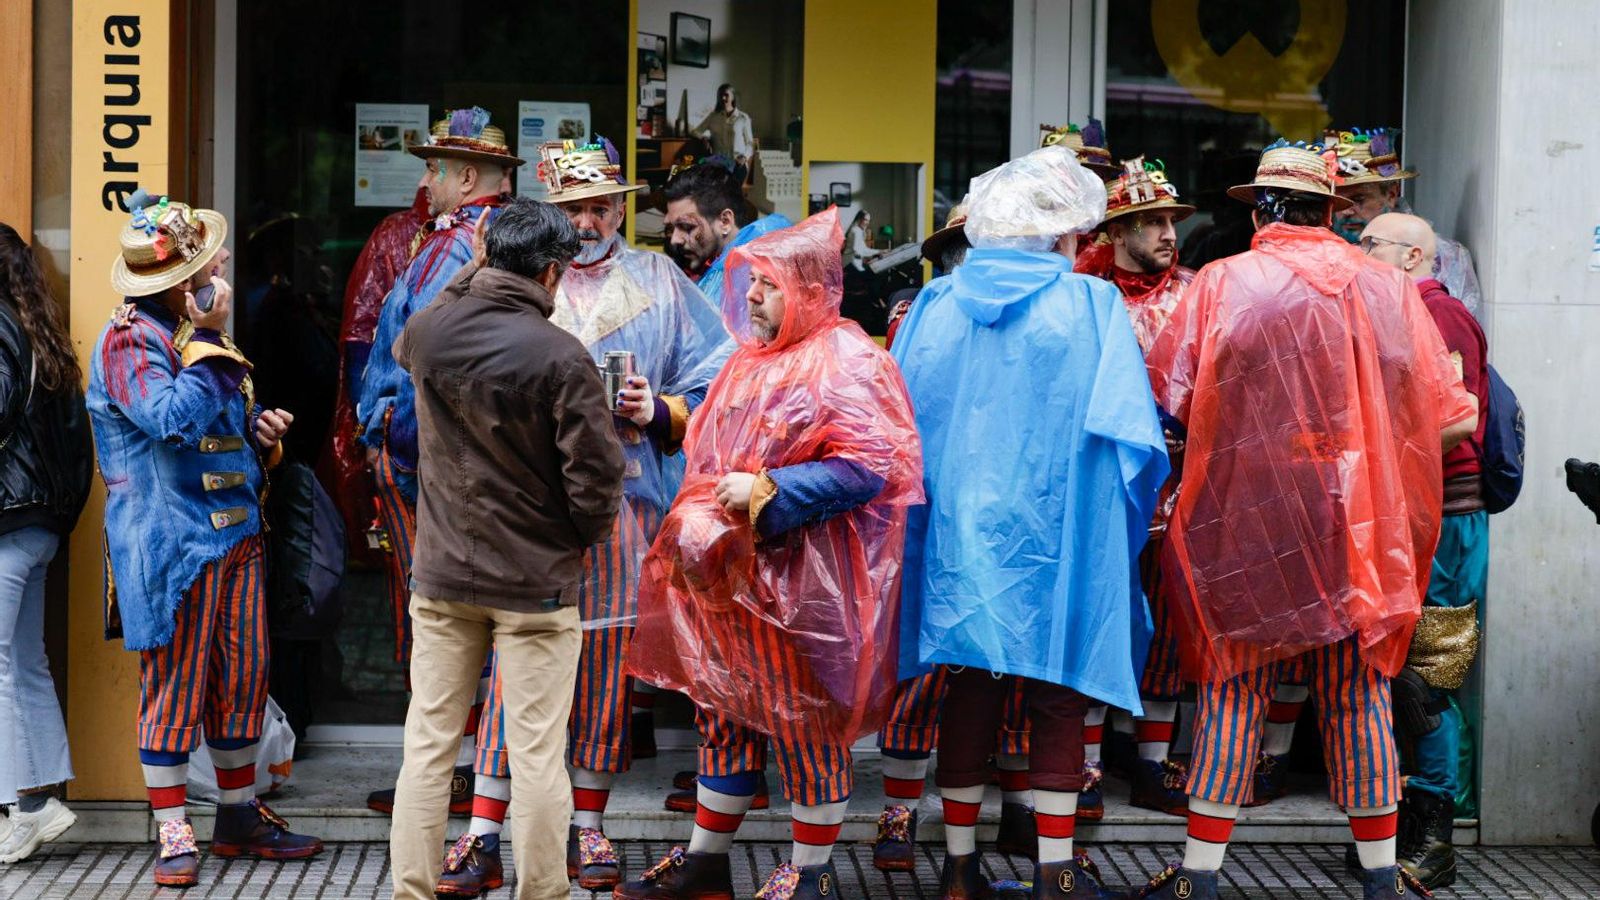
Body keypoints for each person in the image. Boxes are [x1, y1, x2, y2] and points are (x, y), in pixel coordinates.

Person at [1138, 141, 1478, 900]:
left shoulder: (1223, 284)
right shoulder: (1390, 289)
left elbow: (1169, 396)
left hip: (1245, 525)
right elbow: (1454, 415)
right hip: (1360, 529)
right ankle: (1382, 880)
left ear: (1261, 209)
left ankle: (1200, 877)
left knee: (1232, 689)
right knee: (1357, 695)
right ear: (1337, 211)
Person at [450, 139, 734, 895]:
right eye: (573, 207)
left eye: (602, 204)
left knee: (605, 667)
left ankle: (589, 825)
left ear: (621, 207)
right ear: (548, 211)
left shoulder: (660, 278)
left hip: (622, 506)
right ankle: (482, 833)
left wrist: (665, 409)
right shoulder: (502, 279)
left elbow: (721, 381)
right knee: (517, 665)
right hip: (523, 505)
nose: (588, 219)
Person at [620, 208, 922, 900]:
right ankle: (706, 862)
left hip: (805, 593)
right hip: (729, 587)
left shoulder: (850, 360)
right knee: (723, 718)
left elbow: (878, 466)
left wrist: (768, 490)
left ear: (810, 288)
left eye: (768, 284)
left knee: (808, 728)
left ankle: (807, 874)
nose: (750, 296)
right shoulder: (746, 361)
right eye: (751, 282)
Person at [894, 144, 1169, 900]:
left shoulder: (934, 304)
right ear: (1063, 232)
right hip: (1059, 533)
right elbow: (1133, 441)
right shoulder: (1090, 306)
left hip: (958, 534)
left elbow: (899, 423)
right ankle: (1056, 876)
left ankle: (957, 870)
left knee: (971, 686)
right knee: (1058, 694)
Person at [386, 195, 626, 900]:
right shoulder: (562, 355)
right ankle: (542, 893)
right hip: (536, 585)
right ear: (555, 273)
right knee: (538, 758)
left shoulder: (428, 332)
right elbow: (597, 478)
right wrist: (576, 541)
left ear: (484, 256)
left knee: (428, 747)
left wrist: (478, 266)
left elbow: (415, 335)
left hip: (442, 576)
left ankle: (411, 892)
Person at [89, 192, 321, 887]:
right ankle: (172, 828)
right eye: (205, 260)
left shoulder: (194, 334)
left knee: (242, 680)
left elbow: (217, 429)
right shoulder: (132, 340)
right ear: (181, 281)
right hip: (172, 547)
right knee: (174, 689)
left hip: (236, 538)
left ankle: (238, 815)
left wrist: (261, 441)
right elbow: (169, 422)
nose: (221, 264)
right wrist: (216, 338)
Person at [356, 107, 518, 816]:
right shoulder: (460, 238)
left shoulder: (464, 244)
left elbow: (433, 350)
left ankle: (455, 776)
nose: (425, 181)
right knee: (445, 619)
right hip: (425, 453)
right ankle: (460, 773)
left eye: (434, 168)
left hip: (426, 459)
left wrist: (393, 433)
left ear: (468, 176)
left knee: (442, 621)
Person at [871, 195, 1037, 873]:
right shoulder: (923, 314)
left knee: (1013, 667)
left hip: (1009, 518)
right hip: (935, 511)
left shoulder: (1036, 314)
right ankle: (900, 811)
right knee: (922, 668)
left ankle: (1020, 809)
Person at [1359, 212, 1489, 890]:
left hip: (1447, 518)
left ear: (1411, 255)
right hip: (1419, 512)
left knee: (1427, 674)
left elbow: (1458, 417)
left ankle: (1435, 840)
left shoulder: (1438, 317)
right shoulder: (1406, 311)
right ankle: (1410, 828)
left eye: (1369, 244)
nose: (1359, 253)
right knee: (1402, 667)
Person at [1071, 156, 1197, 820]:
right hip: (1101, 496)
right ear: (1118, 231)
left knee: (1169, 632)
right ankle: (1087, 768)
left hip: (1177, 497)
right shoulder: (1083, 298)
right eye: (1151, 223)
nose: (1168, 235)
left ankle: (1153, 766)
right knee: (1097, 624)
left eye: (1172, 222)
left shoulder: (1197, 293)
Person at [0, 225, 92, 864]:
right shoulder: (39, 331)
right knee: (25, 663)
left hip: (6, 522)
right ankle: (42, 798)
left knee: (1, 667)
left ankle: (24, 807)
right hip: (39, 526)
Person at [323, 187, 428, 562]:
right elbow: (360, 335)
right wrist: (370, 429)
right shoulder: (397, 233)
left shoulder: (501, 228)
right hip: (405, 425)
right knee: (412, 562)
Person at [1327, 128, 1483, 315]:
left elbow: (1455, 331)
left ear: (1392, 194)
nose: (1345, 210)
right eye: (1337, 200)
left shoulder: (1444, 257)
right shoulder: (1321, 256)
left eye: (1358, 200)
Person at [662, 157, 790, 296]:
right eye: (671, 228)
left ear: (725, 222)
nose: (675, 240)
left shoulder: (749, 285)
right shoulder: (714, 271)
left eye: (687, 227)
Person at [693, 84, 755, 174]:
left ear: (733, 97)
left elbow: (750, 143)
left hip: (737, 164)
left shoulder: (743, 118)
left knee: (732, 186)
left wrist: (744, 157)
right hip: (718, 164)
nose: (723, 98)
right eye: (720, 95)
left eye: (726, 95)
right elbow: (696, 131)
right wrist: (704, 138)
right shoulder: (713, 117)